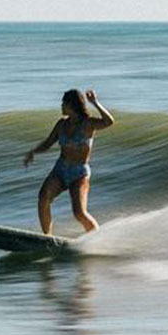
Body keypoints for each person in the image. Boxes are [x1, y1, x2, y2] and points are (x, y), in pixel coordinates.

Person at [23, 88, 114, 235]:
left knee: (79, 213)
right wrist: (33, 152)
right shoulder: (61, 125)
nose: (61, 106)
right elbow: (48, 143)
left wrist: (95, 103)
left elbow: (109, 121)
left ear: (71, 105)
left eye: (63, 103)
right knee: (43, 198)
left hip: (79, 173)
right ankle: (47, 238)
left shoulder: (88, 124)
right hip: (60, 170)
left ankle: (96, 239)